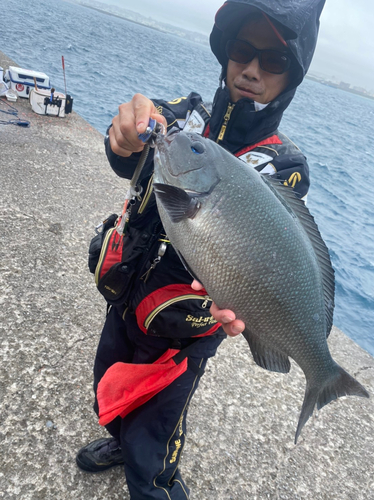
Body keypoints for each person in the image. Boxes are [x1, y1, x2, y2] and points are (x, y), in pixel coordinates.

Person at [76, 1, 325, 498]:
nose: (252, 69)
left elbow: (275, 248)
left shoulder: (282, 162)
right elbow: (128, 156)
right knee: (109, 378)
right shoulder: (183, 117)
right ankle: (122, 441)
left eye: (273, 61)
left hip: (183, 328)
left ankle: (158, 481)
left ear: (292, 74)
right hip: (126, 292)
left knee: (159, 427)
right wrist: (123, 136)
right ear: (226, 52)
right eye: (242, 51)